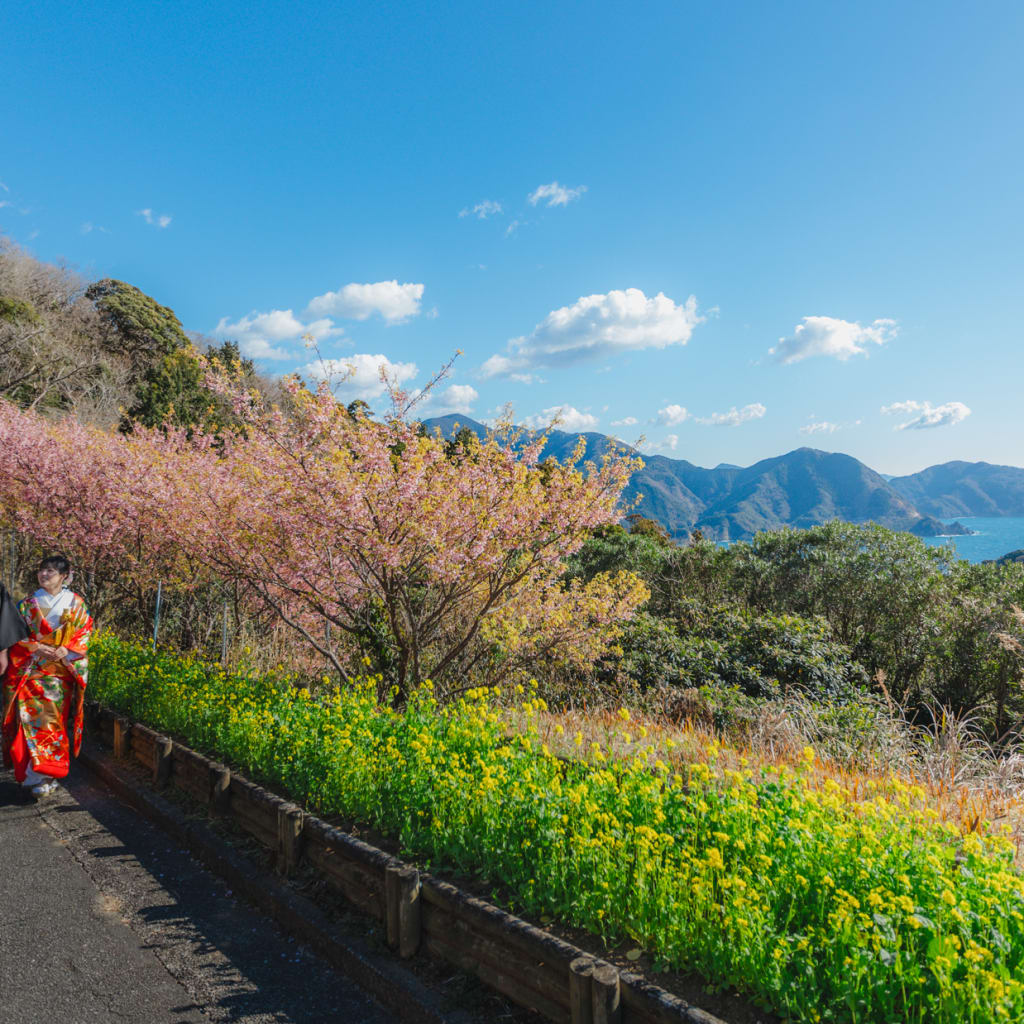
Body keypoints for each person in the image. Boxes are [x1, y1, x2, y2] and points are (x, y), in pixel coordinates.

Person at [1, 555, 93, 798]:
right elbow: (15, 634)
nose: (44, 574)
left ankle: (49, 773)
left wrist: (67, 649)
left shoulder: (75, 603)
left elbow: (84, 633)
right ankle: (35, 776)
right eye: (42, 570)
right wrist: (35, 647)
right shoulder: (27, 604)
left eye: (50, 571)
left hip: (59, 673)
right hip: (30, 671)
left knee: (52, 722)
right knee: (27, 721)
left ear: (64, 576)